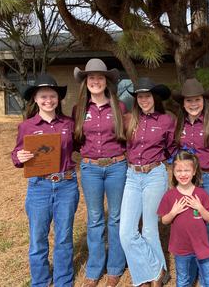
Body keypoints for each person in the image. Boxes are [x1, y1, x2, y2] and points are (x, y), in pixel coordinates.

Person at [11, 74, 79, 287]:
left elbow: (81, 145)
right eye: (43, 96)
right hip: (39, 187)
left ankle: (63, 280)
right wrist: (19, 157)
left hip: (66, 185)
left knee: (64, 237)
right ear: (35, 99)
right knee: (38, 238)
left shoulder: (69, 123)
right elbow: (16, 152)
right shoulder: (27, 126)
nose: (48, 100)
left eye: (52, 96)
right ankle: (40, 281)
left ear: (58, 98)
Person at [72, 58, 127, 287]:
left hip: (116, 167)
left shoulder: (120, 106)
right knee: (95, 218)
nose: (95, 81)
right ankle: (95, 268)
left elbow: (127, 136)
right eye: (91, 78)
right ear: (86, 82)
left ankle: (115, 266)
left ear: (107, 81)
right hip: (90, 169)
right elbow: (74, 140)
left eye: (100, 77)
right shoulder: (79, 109)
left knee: (115, 217)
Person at [119, 78, 175, 287]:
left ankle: (147, 278)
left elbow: (171, 148)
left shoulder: (166, 120)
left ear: (154, 98)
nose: (144, 100)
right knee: (126, 231)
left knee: (149, 229)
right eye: (140, 96)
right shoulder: (129, 120)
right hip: (132, 176)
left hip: (154, 174)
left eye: (147, 96)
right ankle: (157, 270)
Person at [172, 78, 209, 274]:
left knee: (208, 223)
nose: (193, 104)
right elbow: (172, 148)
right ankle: (191, 269)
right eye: (189, 100)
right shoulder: (178, 123)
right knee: (188, 224)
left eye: (197, 100)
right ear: (183, 103)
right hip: (187, 181)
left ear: (204, 100)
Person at [157, 151, 209, 287]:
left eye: (187, 170)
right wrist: (173, 212)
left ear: (194, 171)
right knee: (183, 280)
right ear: (173, 172)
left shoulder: (201, 194)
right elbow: (164, 220)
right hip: (181, 248)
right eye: (179, 170)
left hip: (201, 246)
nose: (183, 174)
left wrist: (200, 207)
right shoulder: (170, 195)